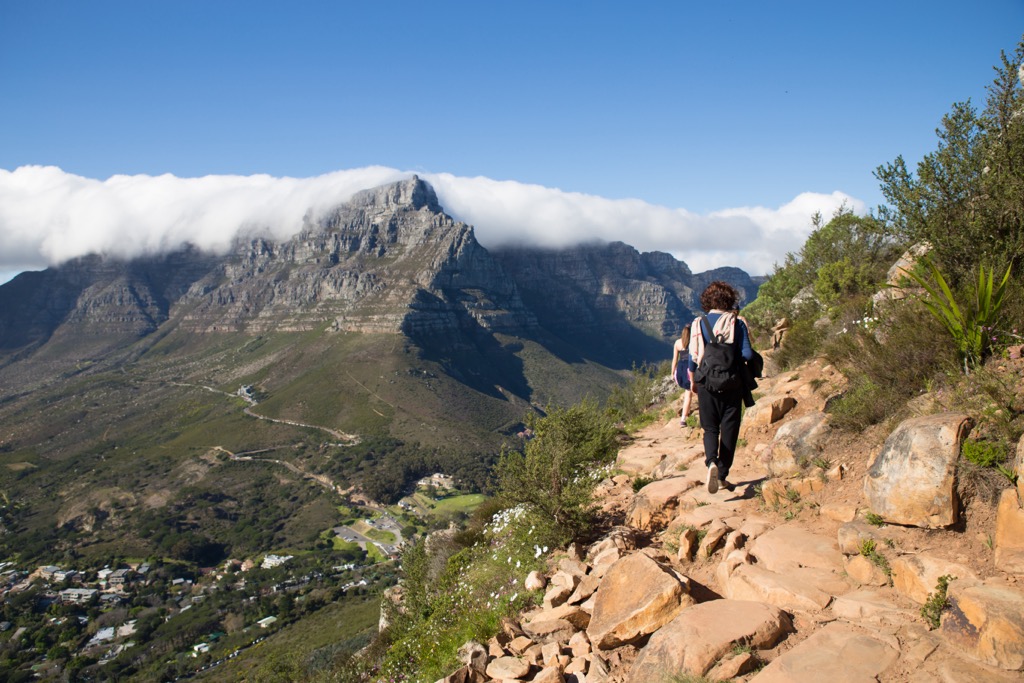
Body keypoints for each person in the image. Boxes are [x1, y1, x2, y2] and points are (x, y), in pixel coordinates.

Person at [688, 281, 753, 494]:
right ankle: (723, 474)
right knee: (729, 429)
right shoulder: (737, 323)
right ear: (730, 299)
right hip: (732, 382)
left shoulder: (699, 323)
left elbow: (692, 358)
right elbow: (747, 355)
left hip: (706, 382)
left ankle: (711, 464)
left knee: (710, 428)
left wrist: (693, 379)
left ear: (708, 301)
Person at [670, 325, 695, 426]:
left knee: (687, 393)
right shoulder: (693, 342)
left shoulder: (677, 343)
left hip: (681, 368)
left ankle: (683, 419)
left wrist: (672, 373)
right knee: (694, 393)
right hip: (690, 367)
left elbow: (674, 359)